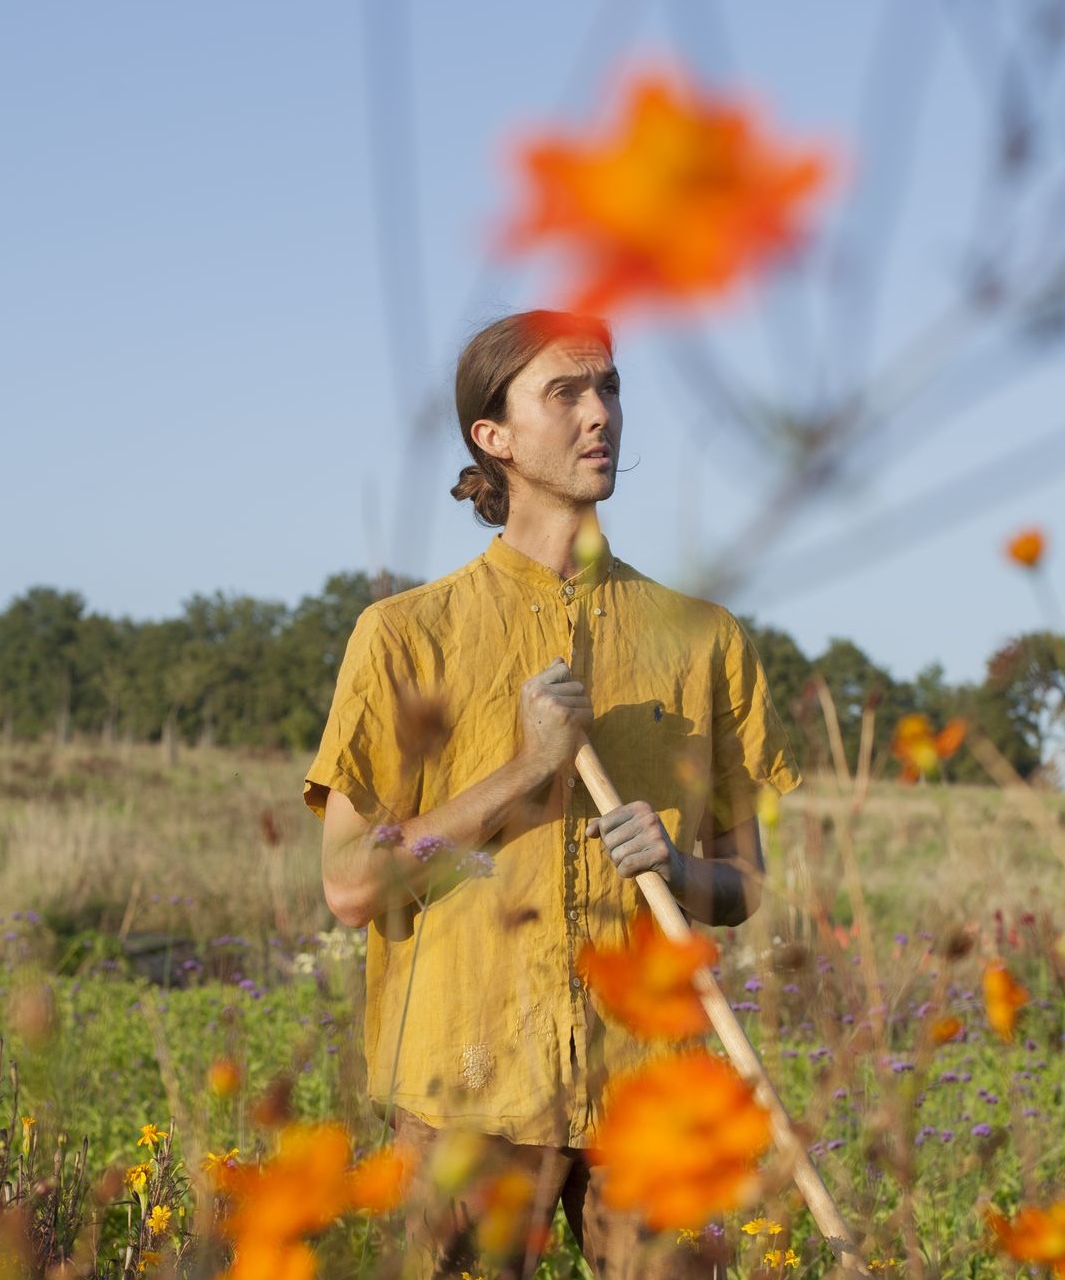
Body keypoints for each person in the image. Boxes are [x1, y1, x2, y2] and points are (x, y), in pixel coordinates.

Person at [304, 310, 799, 1279]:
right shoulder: (404, 636)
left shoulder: (705, 639)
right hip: (466, 1085)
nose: (598, 413)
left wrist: (679, 865)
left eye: (608, 386)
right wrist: (524, 769)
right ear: (491, 436)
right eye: (563, 392)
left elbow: (743, 886)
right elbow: (353, 889)